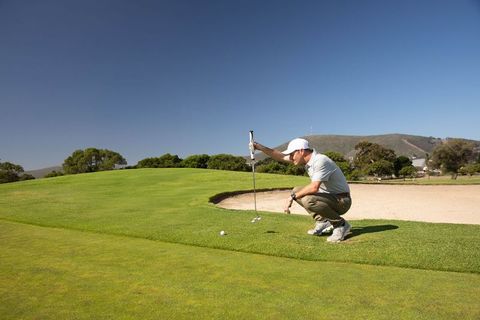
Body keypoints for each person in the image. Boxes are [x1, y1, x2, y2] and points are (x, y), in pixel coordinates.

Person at [253, 138, 352, 242]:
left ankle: (341, 225)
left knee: (308, 200)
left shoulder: (320, 160)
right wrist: (259, 147)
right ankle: (323, 221)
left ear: (301, 151)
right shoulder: (308, 160)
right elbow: (280, 156)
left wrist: (292, 198)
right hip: (329, 198)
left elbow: (314, 187)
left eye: (292, 154)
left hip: (342, 201)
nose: (290, 157)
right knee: (296, 190)